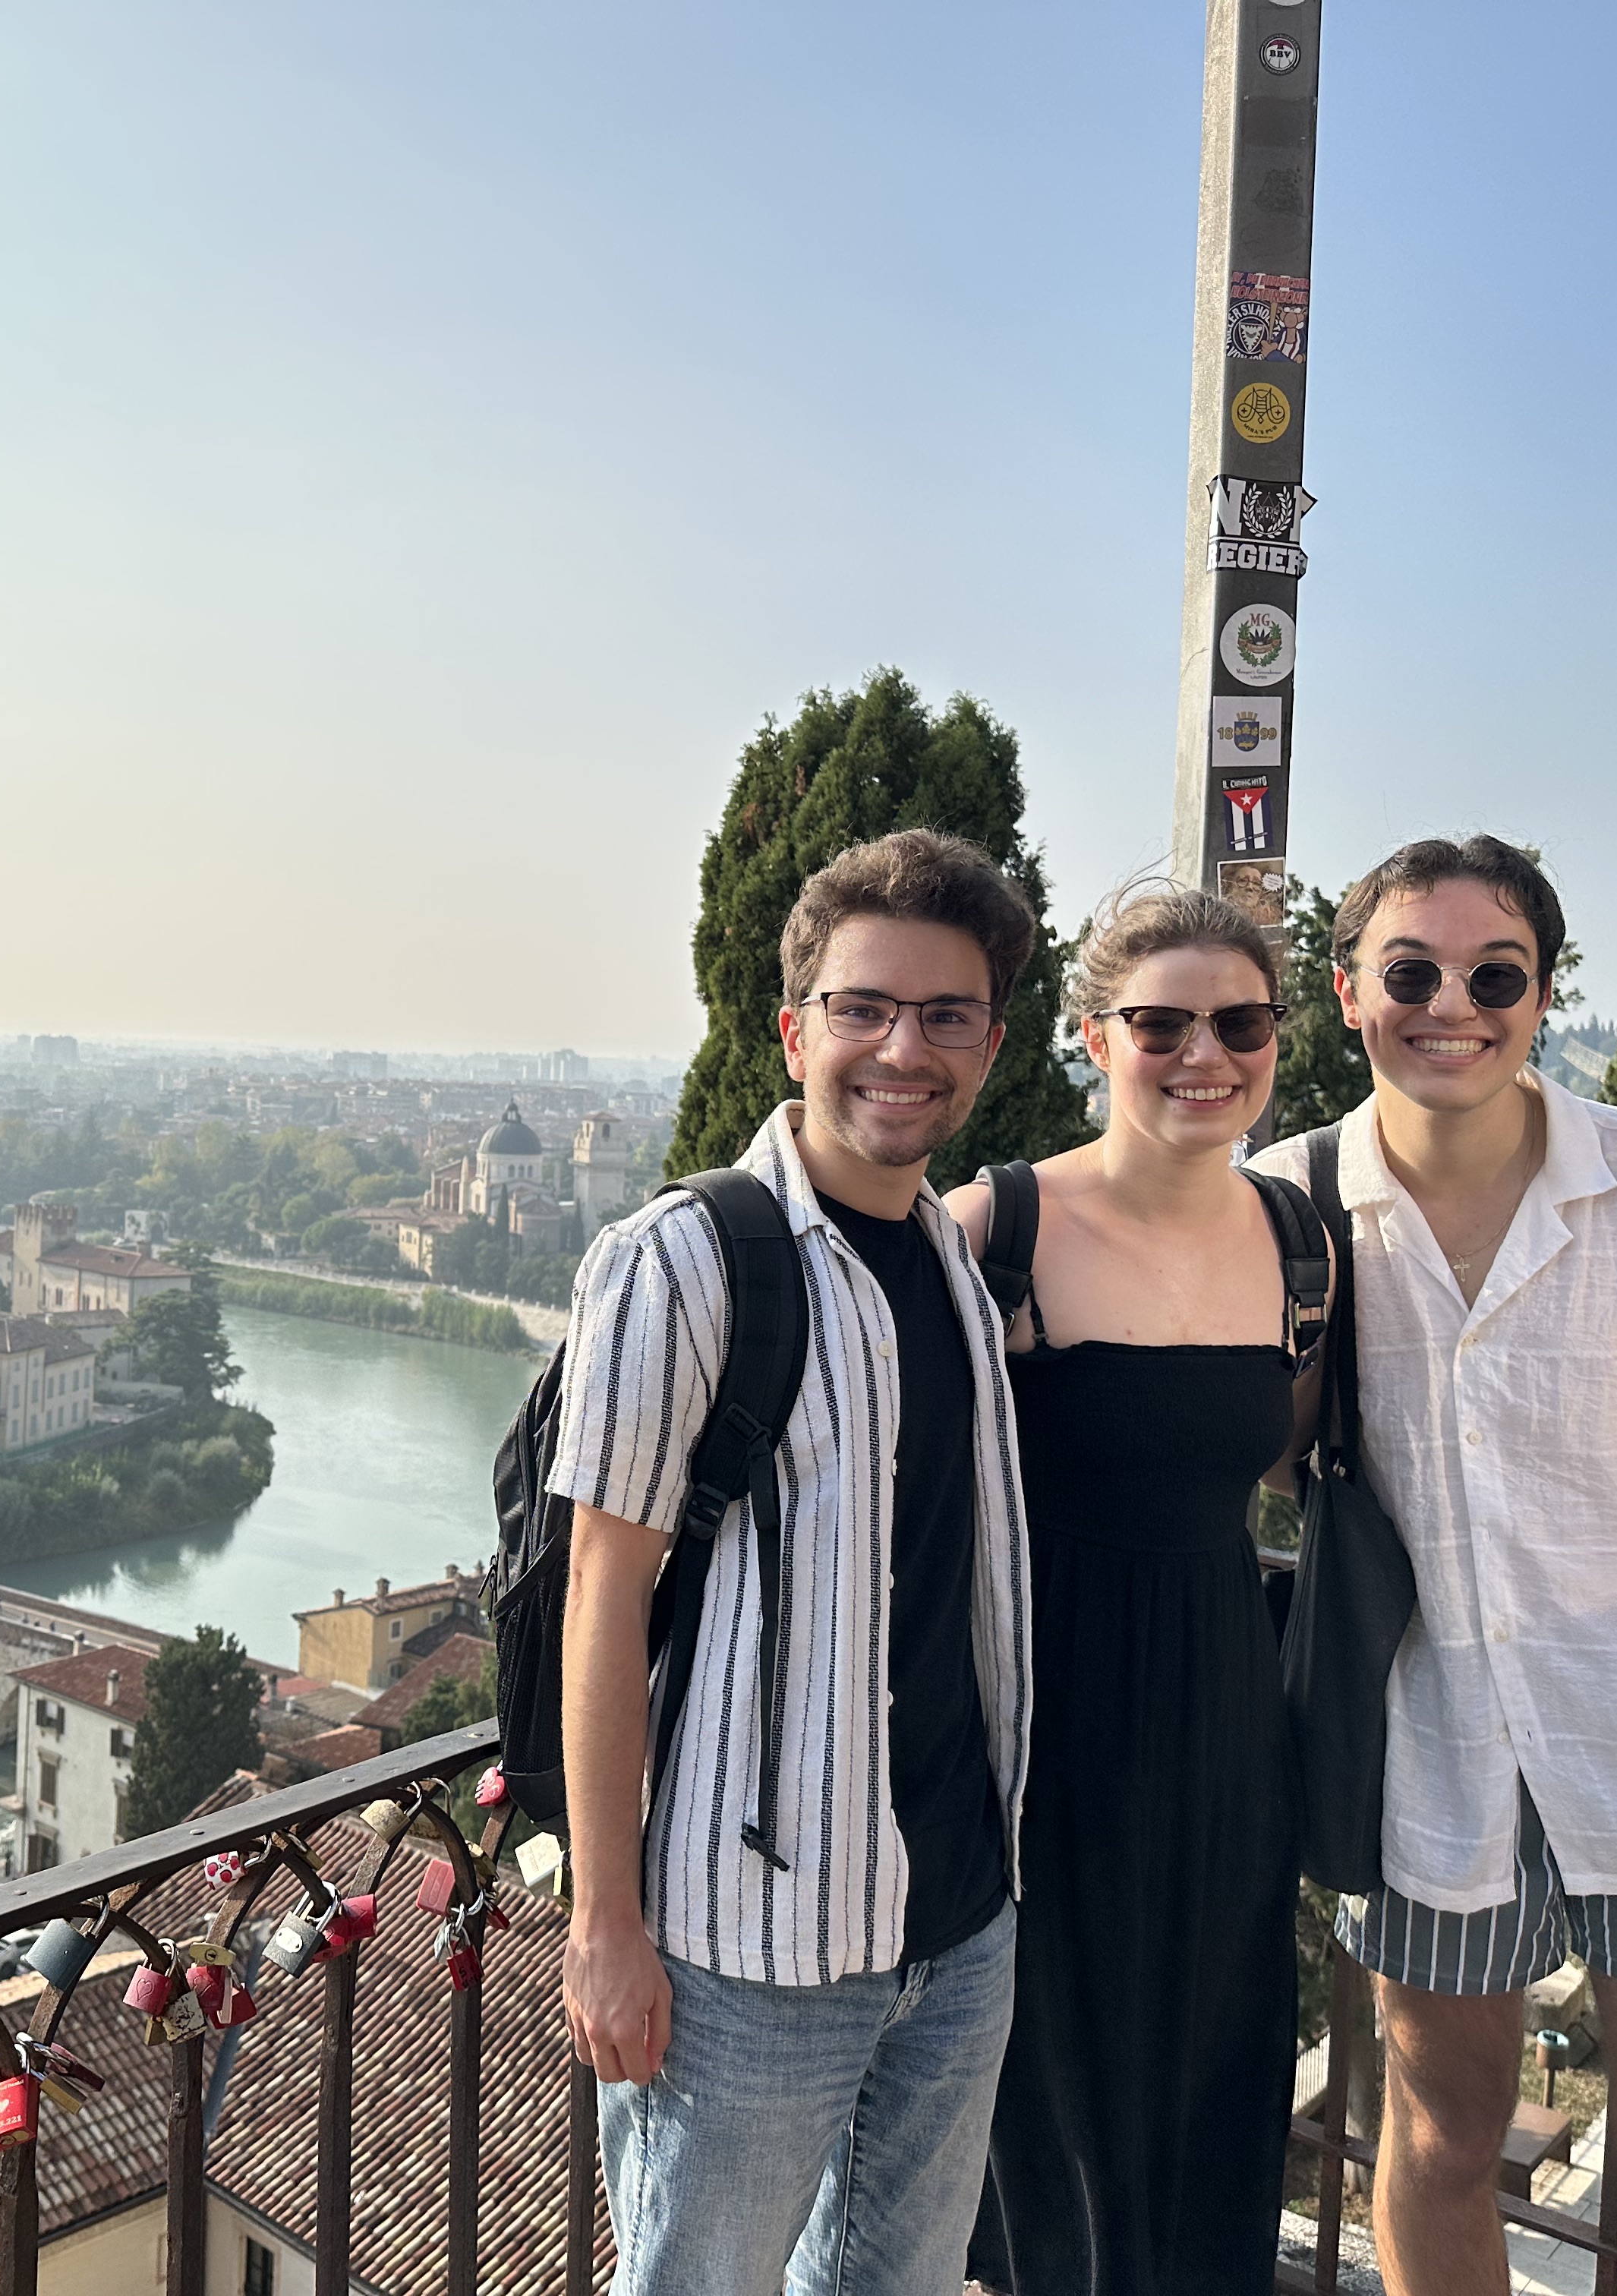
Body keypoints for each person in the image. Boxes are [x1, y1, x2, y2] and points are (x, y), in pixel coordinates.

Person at [1250, 836, 1617, 2296]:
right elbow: (1249, 1455)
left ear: (1539, 997)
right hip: (1423, 1753)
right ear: (1348, 993)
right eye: (1411, 970)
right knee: (1440, 2135)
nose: (1450, 1002)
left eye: (1494, 973)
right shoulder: (1283, 1207)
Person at [553, 826, 1038, 2296]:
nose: (904, 1047)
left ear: (992, 1045)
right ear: (795, 1029)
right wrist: (604, 1924)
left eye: (946, 1015)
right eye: (864, 1008)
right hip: (742, 1951)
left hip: (957, 1931)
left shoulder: (955, 1258)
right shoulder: (684, 1260)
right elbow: (603, 1599)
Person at [951, 885, 1316, 2294]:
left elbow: (1290, 1464)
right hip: (1047, 1732)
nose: (1203, 1053)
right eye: (1161, 1022)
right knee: (1053, 2095)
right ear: (1096, 1036)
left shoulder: (1296, 1240)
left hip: (1229, 1731)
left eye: (1239, 1022)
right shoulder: (1003, 1227)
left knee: (1211, 2066)